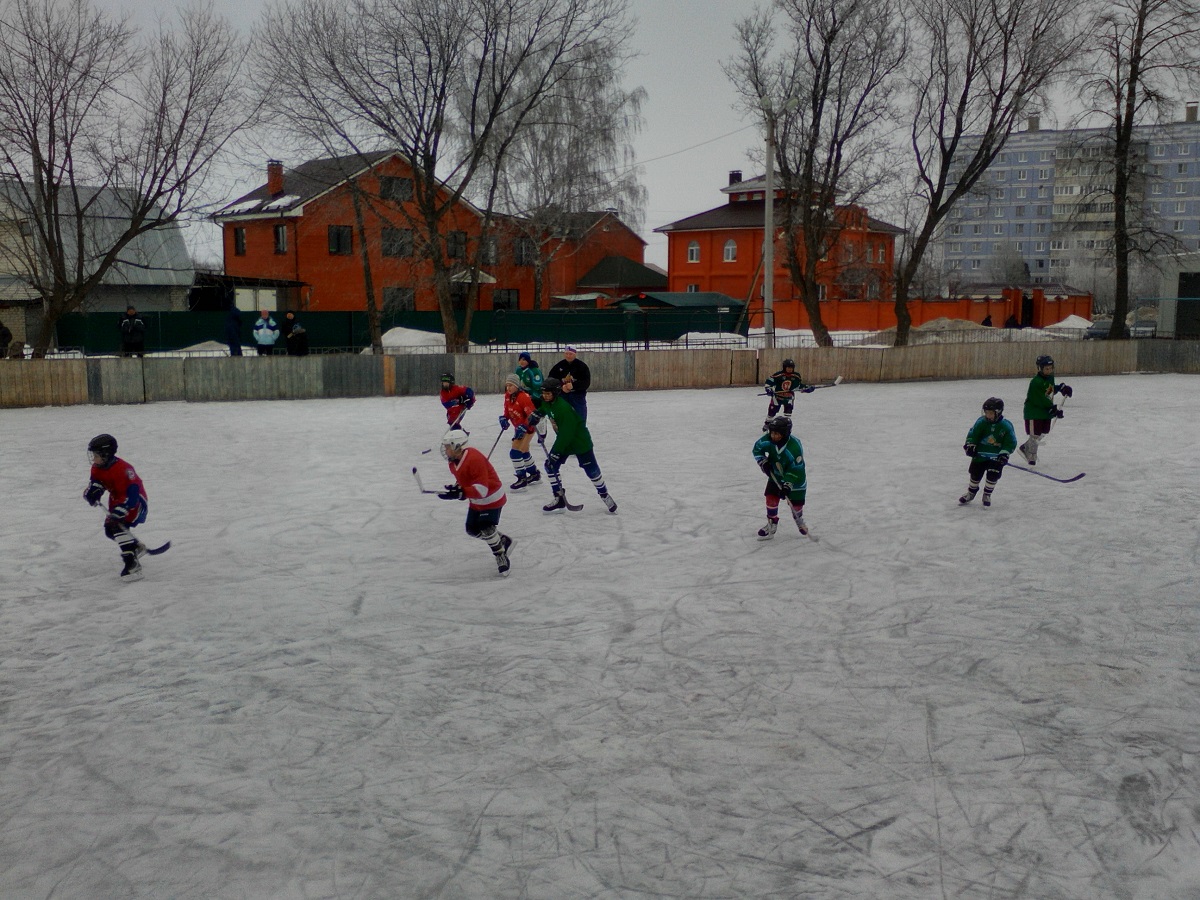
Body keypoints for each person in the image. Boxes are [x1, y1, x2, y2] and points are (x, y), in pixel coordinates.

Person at [527, 376, 616, 513]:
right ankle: (559, 498)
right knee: (550, 467)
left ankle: (604, 494)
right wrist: (538, 414)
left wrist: (556, 452)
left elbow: (566, 434)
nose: (544, 396)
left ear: (555, 393)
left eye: (548, 394)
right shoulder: (548, 402)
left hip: (580, 442)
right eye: (543, 394)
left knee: (592, 471)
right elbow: (545, 408)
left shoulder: (563, 409)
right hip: (565, 442)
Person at [436, 428, 513, 576]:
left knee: (486, 527)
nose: (445, 450)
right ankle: (502, 540)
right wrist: (456, 490)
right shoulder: (453, 463)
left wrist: (462, 492)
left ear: (457, 446)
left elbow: (482, 489)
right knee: (472, 529)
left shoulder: (474, 458)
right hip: (476, 500)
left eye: (448, 446)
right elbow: (466, 482)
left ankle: (500, 555)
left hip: (492, 498)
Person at [83, 433, 151, 581]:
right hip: (116, 500)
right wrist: (94, 492)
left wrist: (124, 508)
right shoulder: (97, 467)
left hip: (135, 502)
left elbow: (133, 492)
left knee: (117, 526)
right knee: (109, 530)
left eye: (96, 455)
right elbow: (97, 482)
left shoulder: (125, 469)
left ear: (106, 454)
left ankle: (132, 564)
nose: (93, 459)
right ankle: (134, 547)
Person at [751, 415, 810, 540]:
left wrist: (788, 484)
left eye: (777, 434)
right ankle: (772, 523)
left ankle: (799, 519)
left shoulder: (794, 447)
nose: (773, 436)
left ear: (785, 433)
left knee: (796, 505)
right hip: (776, 475)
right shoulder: (768, 439)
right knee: (770, 497)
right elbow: (757, 449)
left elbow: (796, 469)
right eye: (772, 433)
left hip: (796, 480)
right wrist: (763, 462)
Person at [960, 397, 1018, 507]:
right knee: (975, 474)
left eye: (990, 413)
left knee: (993, 475)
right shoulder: (981, 422)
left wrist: (1004, 453)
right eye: (986, 412)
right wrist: (970, 445)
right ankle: (971, 492)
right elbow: (973, 434)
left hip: (996, 457)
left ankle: (987, 494)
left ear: (998, 412)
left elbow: (1011, 442)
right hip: (980, 455)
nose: (988, 415)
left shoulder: (1006, 426)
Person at [1018, 354, 1073, 466]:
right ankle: (1031, 458)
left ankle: (1025, 447)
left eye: (1050, 368)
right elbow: (1039, 399)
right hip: (1034, 412)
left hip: (1045, 412)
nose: (1049, 371)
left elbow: (1049, 391)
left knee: (1044, 432)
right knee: (1035, 435)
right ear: (1040, 368)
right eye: (1046, 369)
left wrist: (1061, 388)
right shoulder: (1036, 382)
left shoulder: (1050, 378)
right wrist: (1052, 409)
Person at [499, 373, 541, 489]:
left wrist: (524, 426)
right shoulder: (508, 396)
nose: (508, 388)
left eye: (511, 385)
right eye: (507, 385)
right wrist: (504, 418)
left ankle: (521, 478)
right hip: (518, 427)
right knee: (524, 451)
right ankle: (534, 474)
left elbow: (532, 416)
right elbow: (507, 411)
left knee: (515, 452)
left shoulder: (523, 397)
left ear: (517, 385)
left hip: (528, 428)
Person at [547, 345, 591, 421]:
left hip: (578, 397)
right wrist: (561, 387)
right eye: (566, 353)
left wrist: (573, 386)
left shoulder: (582, 366)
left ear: (575, 354)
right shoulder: (558, 366)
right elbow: (550, 380)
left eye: (570, 354)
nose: (568, 356)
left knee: (580, 420)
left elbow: (586, 382)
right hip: (562, 397)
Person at [763, 358, 812, 422]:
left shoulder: (796, 376)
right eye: (788, 367)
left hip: (789, 398)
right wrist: (768, 389)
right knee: (772, 412)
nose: (790, 369)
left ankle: (785, 426)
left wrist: (807, 388)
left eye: (791, 368)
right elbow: (769, 382)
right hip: (777, 397)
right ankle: (767, 424)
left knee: (788, 413)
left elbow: (798, 386)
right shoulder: (778, 375)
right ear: (784, 367)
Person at [516, 351, 548, 445]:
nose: (522, 362)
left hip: (536, 397)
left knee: (539, 416)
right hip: (525, 397)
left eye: (525, 360)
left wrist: (530, 390)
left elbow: (539, 384)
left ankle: (542, 433)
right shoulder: (518, 370)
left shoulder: (534, 370)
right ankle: (522, 433)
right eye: (520, 359)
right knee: (523, 415)